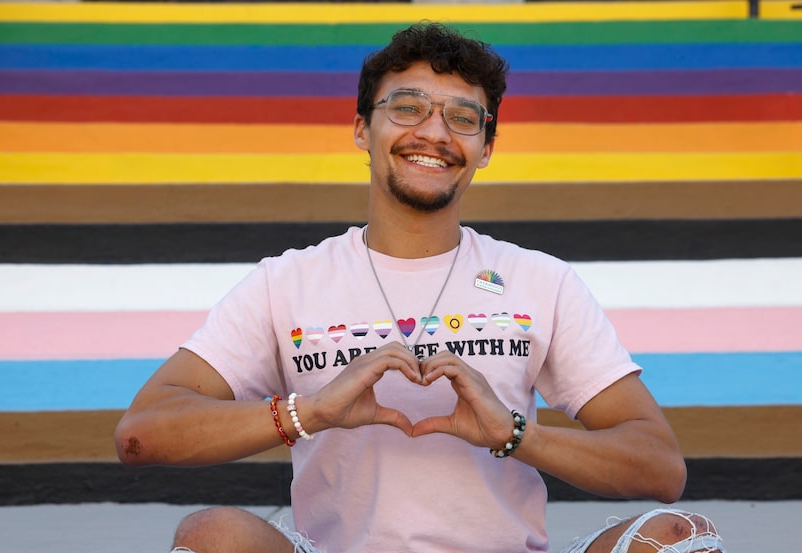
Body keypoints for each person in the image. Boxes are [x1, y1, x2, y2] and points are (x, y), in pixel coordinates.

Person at [115, 22, 726, 553]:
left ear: (485, 147)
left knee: (681, 533)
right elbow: (143, 433)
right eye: (407, 107)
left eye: (462, 118)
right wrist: (310, 412)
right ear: (362, 128)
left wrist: (515, 434)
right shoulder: (286, 282)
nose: (433, 133)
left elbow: (660, 465)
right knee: (209, 537)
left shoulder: (542, 281)